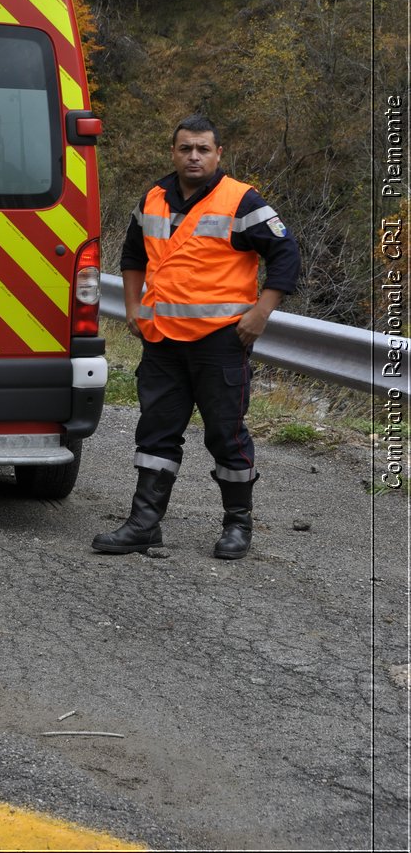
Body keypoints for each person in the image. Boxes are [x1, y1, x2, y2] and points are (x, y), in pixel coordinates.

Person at [92, 114, 300, 560]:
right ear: (174, 151)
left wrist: (261, 314)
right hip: (163, 341)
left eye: (203, 149)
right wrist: (132, 307)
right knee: (156, 432)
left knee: (225, 435)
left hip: (221, 342)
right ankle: (144, 524)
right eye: (186, 148)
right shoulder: (153, 198)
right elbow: (132, 256)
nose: (193, 156)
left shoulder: (241, 200)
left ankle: (237, 527)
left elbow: (286, 254)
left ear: (218, 153)